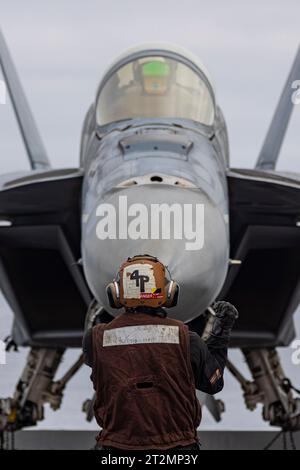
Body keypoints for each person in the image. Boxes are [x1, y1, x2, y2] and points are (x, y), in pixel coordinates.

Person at [82, 254, 238, 451]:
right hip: (178, 450)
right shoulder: (187, 340)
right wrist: (220, 334)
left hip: (116, 449)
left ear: (116, 293)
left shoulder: (94, 339)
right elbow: (214, 383)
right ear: (169, 292)